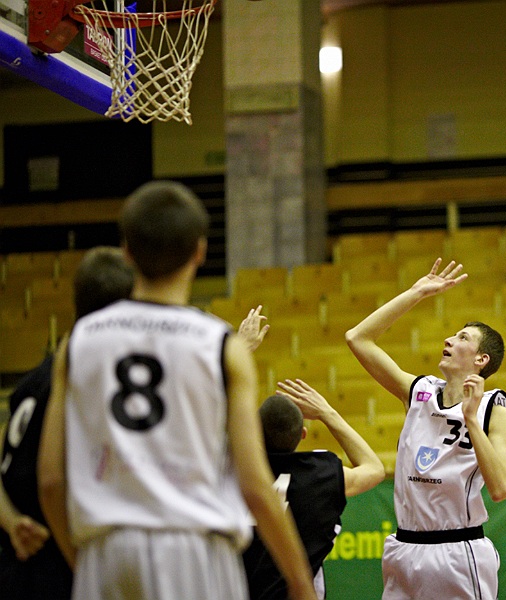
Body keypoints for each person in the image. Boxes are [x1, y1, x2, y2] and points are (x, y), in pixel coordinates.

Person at [37, 180, 317, 600]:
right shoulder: (223, 347)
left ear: (127, 252)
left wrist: (85, 561)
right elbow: (254, 484)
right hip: (194, 551)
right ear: (200, 252)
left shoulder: (77, 342)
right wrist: (299, 581)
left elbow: (50, 480)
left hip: (106, 550)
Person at [345, 257, 506, 600]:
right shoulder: (419, 391)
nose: (449, 339)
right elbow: (357, 338)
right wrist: (416, 293)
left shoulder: (494, 406)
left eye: (462, 337)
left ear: (481, 359)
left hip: (457, 550)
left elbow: (500, 488)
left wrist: (471, 419)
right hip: (404, 547)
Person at [0, 246, 134, 600]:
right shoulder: (85, 381)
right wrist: (81, 566)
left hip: (17, 561)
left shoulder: (32, 381)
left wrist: (12, 522)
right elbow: (51, 483)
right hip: (58, 566)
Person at [242, 380, 385, 600]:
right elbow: (374, 469)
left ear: (256, 434)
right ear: (303, 434)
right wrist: (327, 413)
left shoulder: (236, 474)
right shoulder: (321, 474)